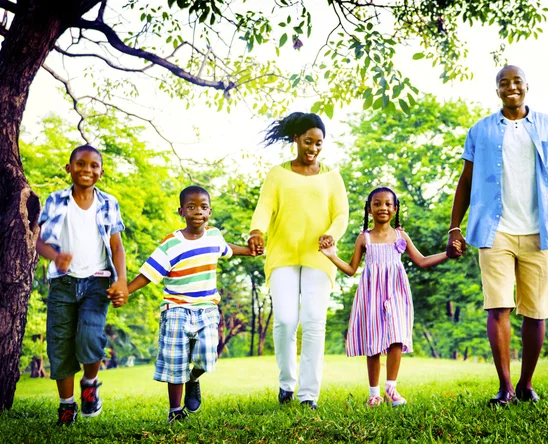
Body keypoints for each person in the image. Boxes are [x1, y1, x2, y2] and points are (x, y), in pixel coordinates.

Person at [446, 65, 548, 406]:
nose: (511, 87)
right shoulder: (481, 131)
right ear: (497, 91)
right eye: (503, 83)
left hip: (541, 232)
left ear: (526, 86)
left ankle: (526, 383)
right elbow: (466, 180)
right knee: (499, 307)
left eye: (516, 81)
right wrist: (455, 227)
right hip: (496, 232)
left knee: (536, 312)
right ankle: (505, 388)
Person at [321, 187, 461, 407]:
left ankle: (391, 389)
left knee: (397, 336)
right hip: (371, 292)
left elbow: (422, 261)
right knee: (374, 342)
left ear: (395, 209)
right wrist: (331, 255)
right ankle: (374, 393)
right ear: (369, 210)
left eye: (388, 204)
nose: (382, 208)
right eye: (377, 204)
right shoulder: (364, 238)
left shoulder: (400, 235)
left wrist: (448, 254)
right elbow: (350, 269)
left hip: (396, 290)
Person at [126, 185, 255, 423]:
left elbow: (227, 250)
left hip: (207, 308)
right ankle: (175, 411)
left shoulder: (214, 236)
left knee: (208, 357)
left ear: (210, 212)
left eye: (203, 207)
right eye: (192, 207)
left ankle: (193, 379)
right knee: (176, 361)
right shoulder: (172, 243)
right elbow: (150, 273)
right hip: (176, 309)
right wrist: (126, 290)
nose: (198, 212)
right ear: (181, 211)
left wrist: (250, 251)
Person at [248, 112, 349, 409]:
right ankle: (286, 384)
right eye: (308, 141)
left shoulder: (332, 176)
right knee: (285, 320)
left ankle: (308, 395)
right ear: (296, 139)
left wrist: (331, 234)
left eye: (319, 143)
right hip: (283, 255)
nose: (314, 148)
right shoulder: (277, 174)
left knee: (314, 322)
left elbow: (341, 214)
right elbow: (265, 207)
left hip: (319, 257)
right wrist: (257, 231)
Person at [36, 145, 128, 425]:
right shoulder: (55, 201)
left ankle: (90, 385)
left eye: (93, 166)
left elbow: (116, 245)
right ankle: (66, 406)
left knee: (90, 336)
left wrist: (121, 279)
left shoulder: (108, 203)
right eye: (80, 164)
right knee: (59, 345)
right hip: (62, 284)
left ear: (101, 172)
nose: (86, 170)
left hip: (97, 283)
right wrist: (56, 256)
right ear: (69, 168)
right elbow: (41, 242)